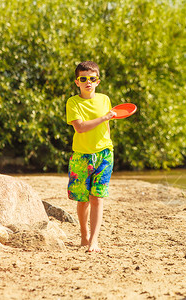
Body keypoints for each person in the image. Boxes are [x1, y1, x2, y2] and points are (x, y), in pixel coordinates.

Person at [66, 61, 117, 252]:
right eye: (84, 78)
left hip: (104, 154)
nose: (88, 82)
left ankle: (94, 241)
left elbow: (107, 127)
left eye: (92, 78)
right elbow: (80, 127)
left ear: (98, 81)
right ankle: (84, 234)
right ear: (77, 82)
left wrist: (108, 147)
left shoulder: (105, 99)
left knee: (97, 197)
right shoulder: (73, 102)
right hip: (81, 156)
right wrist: (104, 117)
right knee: (83, 199)